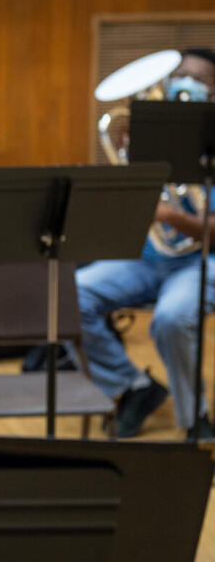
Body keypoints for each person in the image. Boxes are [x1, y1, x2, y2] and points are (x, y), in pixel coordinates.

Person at [77, 49, 215, 439]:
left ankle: (196, 418)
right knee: (68, 296)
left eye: (199, 79)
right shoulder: (151, 136)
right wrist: (129, 166)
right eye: (181, 75)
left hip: (200, 262)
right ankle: (133, 386)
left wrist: (171, 216)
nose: (185, 84)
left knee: (171, 319)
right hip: (148, 258)